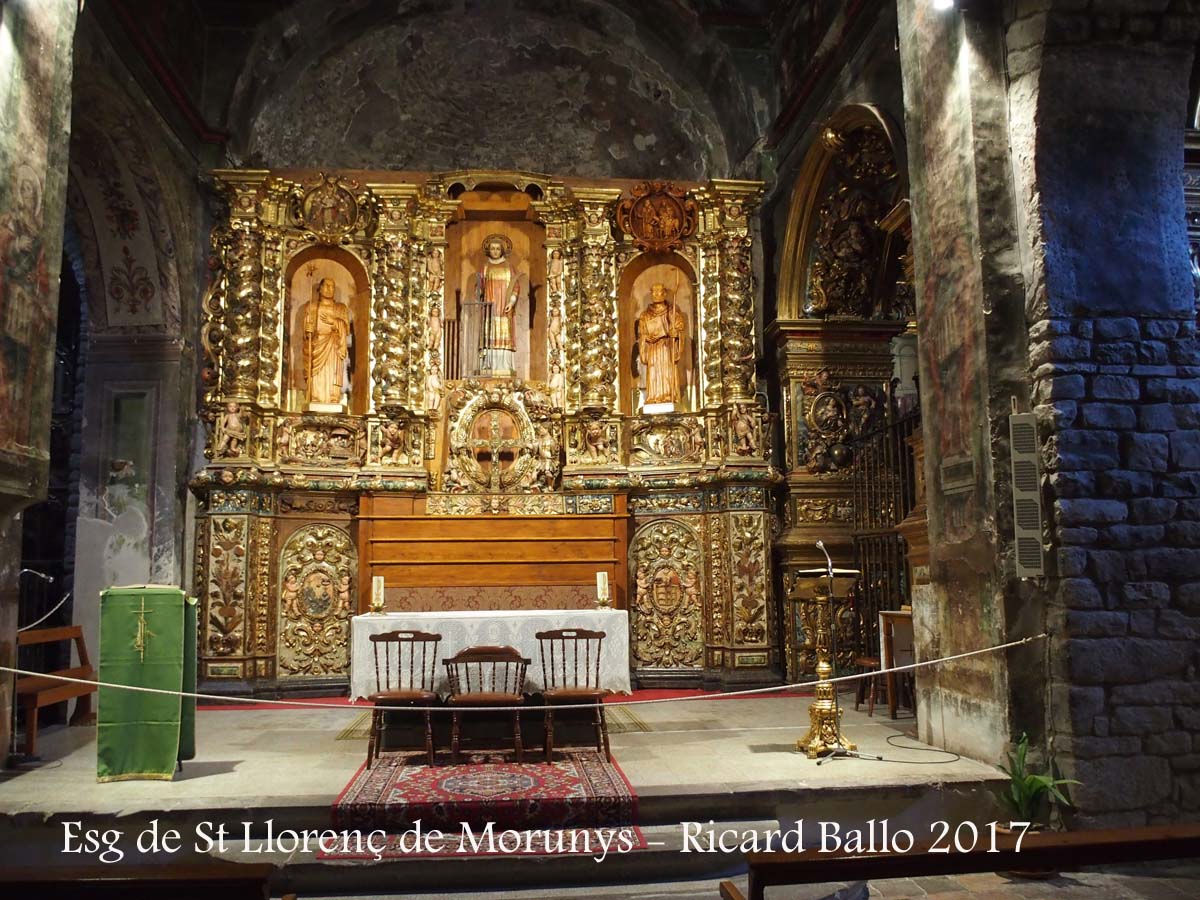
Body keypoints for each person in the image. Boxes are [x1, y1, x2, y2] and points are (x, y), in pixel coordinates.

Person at [473, 234, 522, 374]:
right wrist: (478, 292)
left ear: (502, 250)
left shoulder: (509, 267)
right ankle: (488, 365)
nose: (495, 251)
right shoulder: (485, 267)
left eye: (497, 249)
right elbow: (479, 286)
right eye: (492, 248)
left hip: (504, 308)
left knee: (504, 332)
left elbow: (515, 286)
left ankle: (504, 366)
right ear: (489, 250)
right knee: (489, 331)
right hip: (490, 308)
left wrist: (511, 302)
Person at [302, 277, 351, 407]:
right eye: (327, 286)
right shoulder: (311, 306)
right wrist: (308, 330)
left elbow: (346, 329)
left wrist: (334, 322)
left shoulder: (341, 308)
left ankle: (333, 398)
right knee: (316, 373)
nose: (330, 289)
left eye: (332, 286)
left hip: (334, 345)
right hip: (317, 344)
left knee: (333, 372)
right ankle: (315, 397)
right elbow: (306, 333)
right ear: (320, 288)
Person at [636, 283, 686, 407]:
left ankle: (669, 395)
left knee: (667, 372)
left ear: (664, 294)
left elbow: (680, 329)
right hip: (653, 349)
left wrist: (676, 334)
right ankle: (653, 396)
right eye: (653, 291)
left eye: (659, 291)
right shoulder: (645, 315)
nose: (656, 294)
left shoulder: (672, 312)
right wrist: (646, 337)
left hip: (667, 347)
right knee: (653, 372)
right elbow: (642, 333)